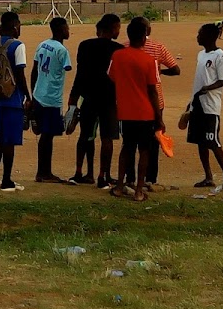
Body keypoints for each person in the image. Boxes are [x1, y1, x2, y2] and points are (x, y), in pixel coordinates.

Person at [107, 17, 163, 202]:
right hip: (145, 113)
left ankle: (119, 186)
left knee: (127, 148)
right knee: (144, 151)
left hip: (125, 112)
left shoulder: (117, 56)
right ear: (144, 37)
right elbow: (152, 91)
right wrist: (159, 117)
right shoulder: (149, 60)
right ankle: (139, 190)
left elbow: (112, 77)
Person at [66, 14, 122, 187]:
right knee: (107, 138)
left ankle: (81, 172)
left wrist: (73, 98)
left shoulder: (85, 46)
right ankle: (103, 176)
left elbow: (80, 73)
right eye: (118, 28)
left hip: (89, 96)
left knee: (85, 135)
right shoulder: (119, 49)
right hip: (109, 98)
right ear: (113, 28)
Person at [127, 20, 181, 190]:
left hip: (130, 101)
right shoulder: (158, 47)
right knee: (152, 142)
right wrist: (160, 71)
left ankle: (129, 178)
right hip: (154, 102)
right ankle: (150, 178)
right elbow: (176, 69)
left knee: (129, 143)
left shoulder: (123, 48)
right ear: (147, 31)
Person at [0, 11, 31, 192]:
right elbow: (20, 74)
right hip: (14, 98)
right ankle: (6, 180)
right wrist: (28, 96)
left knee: (1, 138)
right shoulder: (18, 46)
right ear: (14, 26)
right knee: (10, 141)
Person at [186, 23, 223, 188]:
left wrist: (208, 88)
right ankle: (208, 177)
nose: (197, 37)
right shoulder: (201, 55)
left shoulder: (221, 56)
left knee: (213, 142)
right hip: (197, 104)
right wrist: (191, 102)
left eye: (200, 34)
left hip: (210, 106)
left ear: (209, 37)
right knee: (201, 142)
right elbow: (199, 80)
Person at [30, 17, 71, 183]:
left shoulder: (42, 44)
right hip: (52, 98)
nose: (68, 31)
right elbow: (67, 68)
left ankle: (44, 171)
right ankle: (44, 172)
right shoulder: (62, 50)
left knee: (45, 135)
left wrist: (32, 94)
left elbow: (34, 70)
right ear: (61, 30)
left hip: (38, 94)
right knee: (48, 136)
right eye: (67, 28)